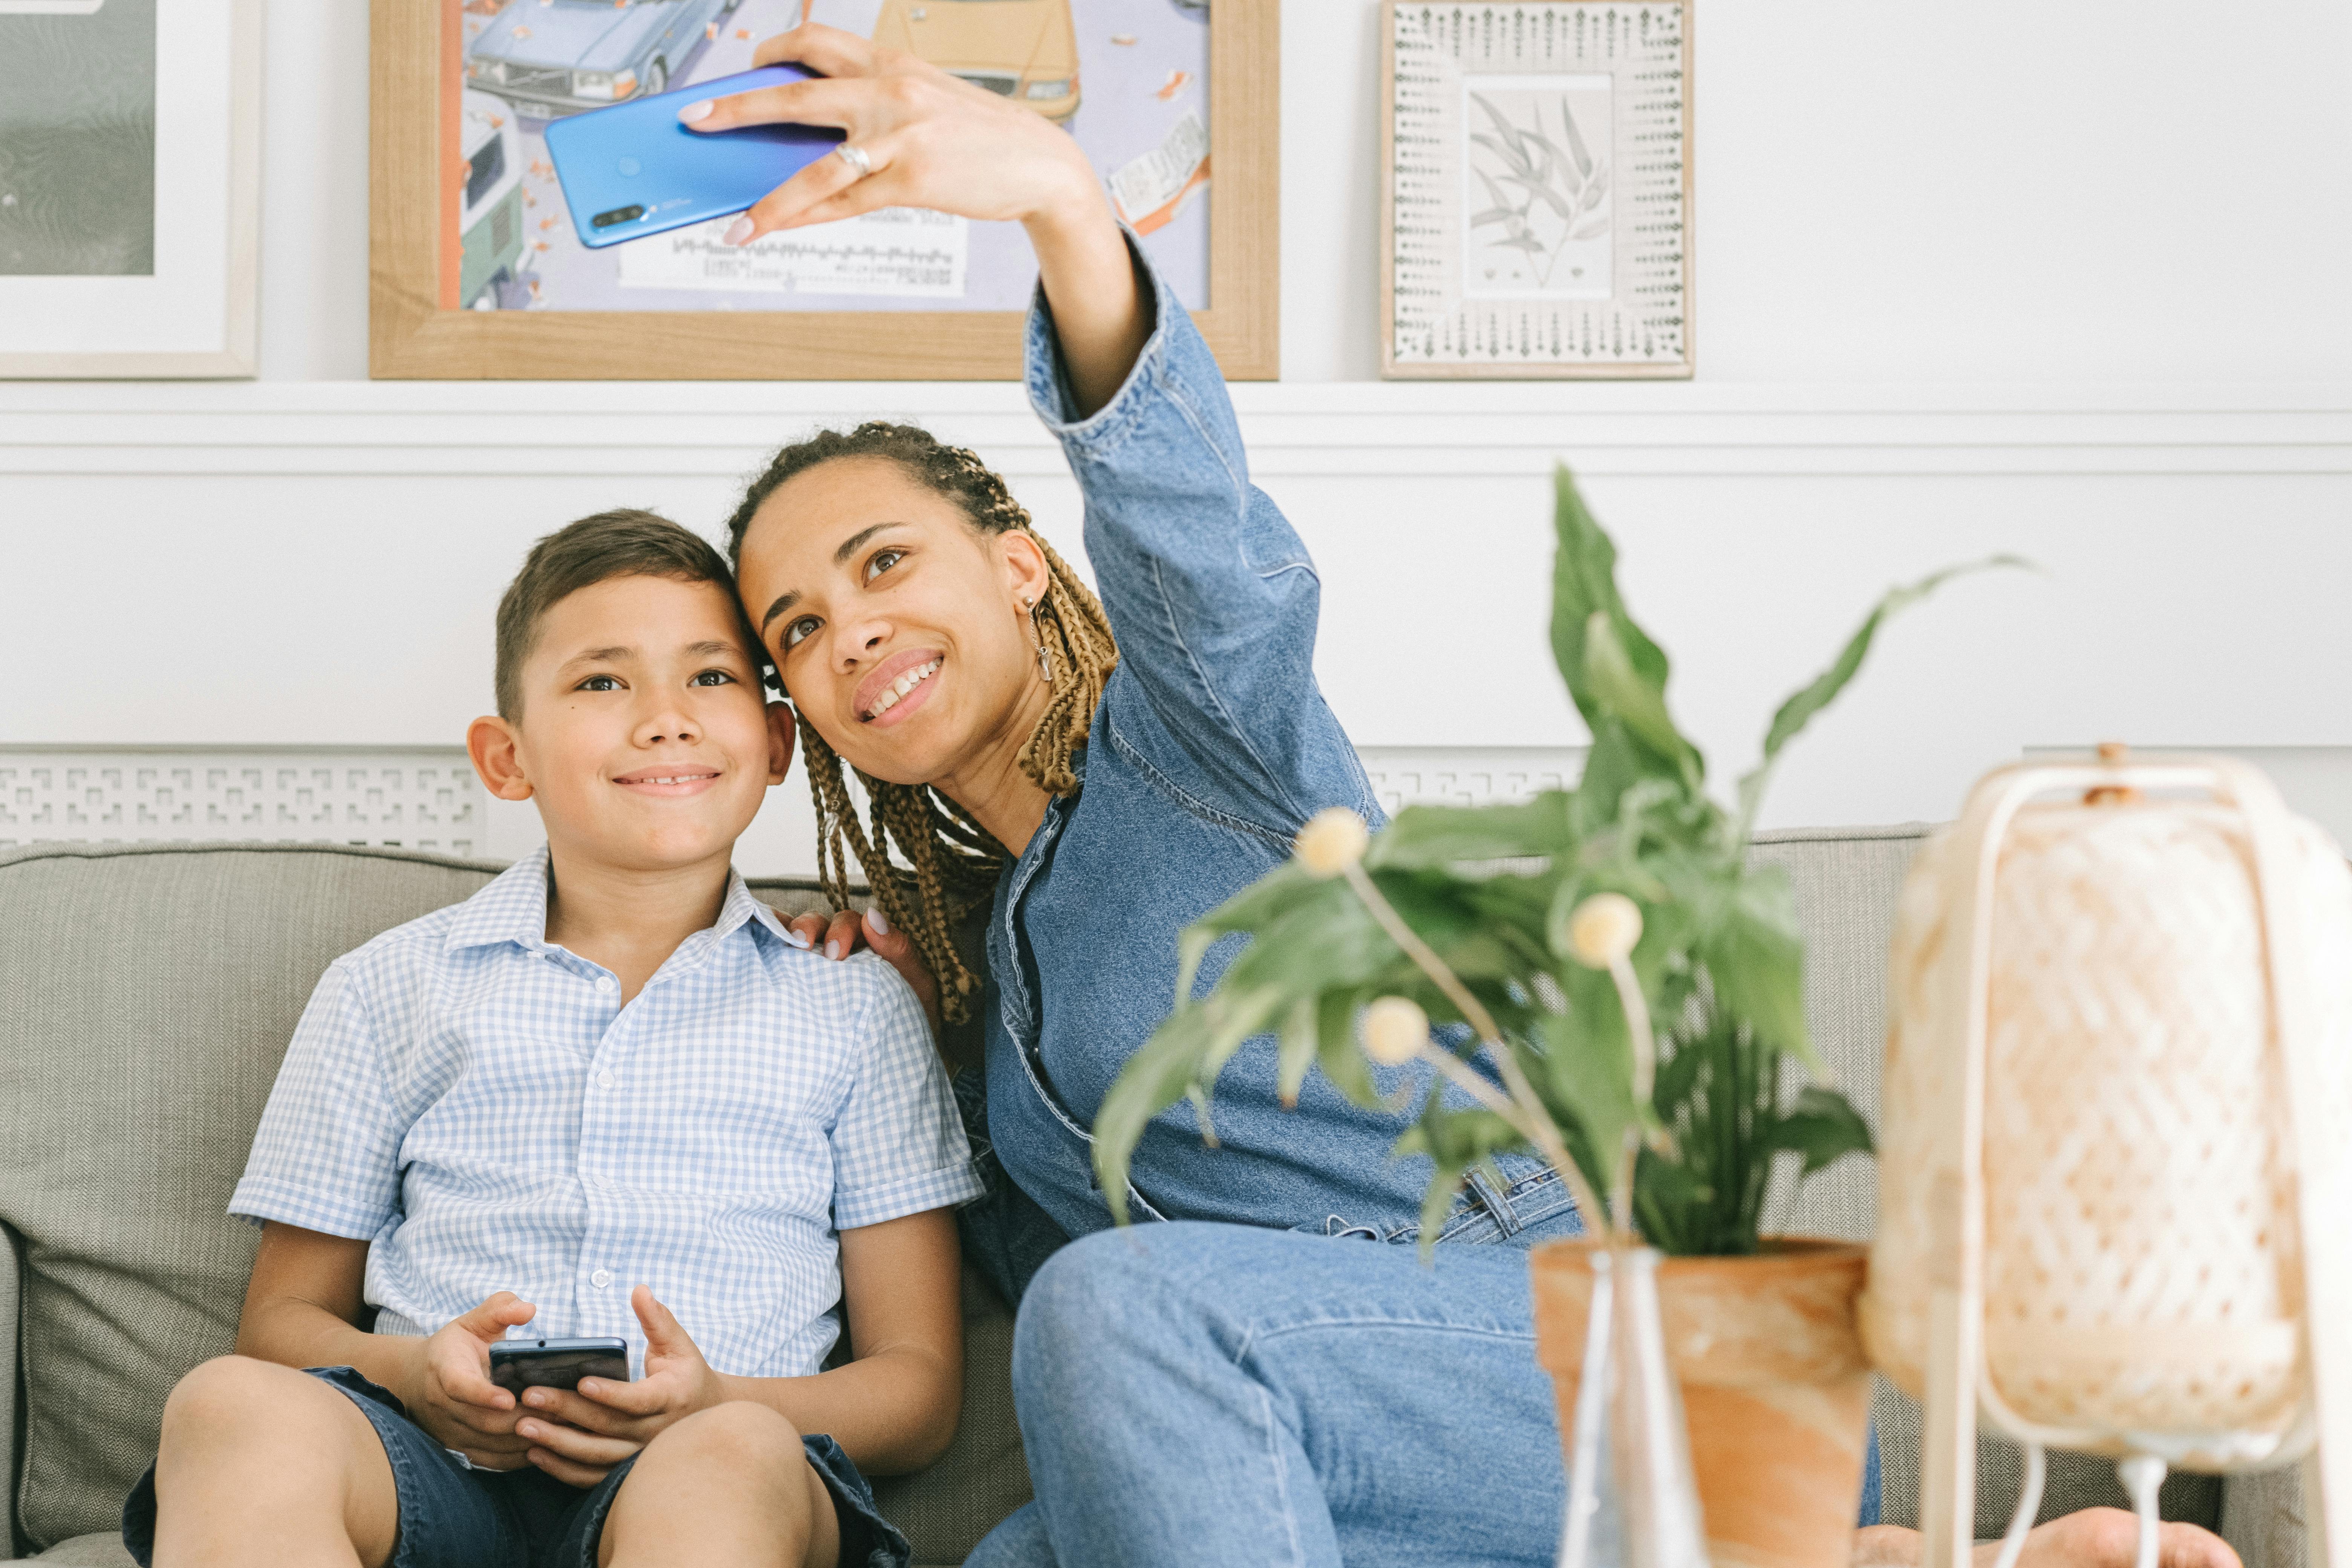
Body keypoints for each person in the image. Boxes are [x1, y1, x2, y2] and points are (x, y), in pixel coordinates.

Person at [696, 26, 2244, 1568]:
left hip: (1601, 1356)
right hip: (1349, 1432)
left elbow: (1204, 547)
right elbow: (1067, 1319)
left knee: (1125, 1312)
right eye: (800, 629)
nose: (854, 634)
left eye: (882, 562)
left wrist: (1061, 204)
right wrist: (921, 1012)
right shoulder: (996, 957)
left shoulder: (1202, 737)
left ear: (1022, 565)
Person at [129, 512, 980, 1568]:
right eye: (601, 683)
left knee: (731, 1459)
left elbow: (917, 1389)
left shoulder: (852, 1006)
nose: (665, 719)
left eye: (710, 678)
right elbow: (283, 1325)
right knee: (230, 1404)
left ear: (775, 743)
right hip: (425, 1472)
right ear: (507, 757)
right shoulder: (387, 989)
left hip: (706, 1467)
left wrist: (714, 1400)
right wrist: (414, 1379)